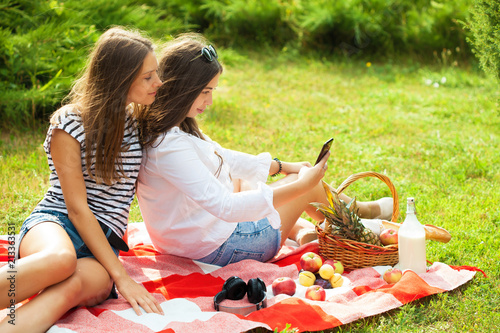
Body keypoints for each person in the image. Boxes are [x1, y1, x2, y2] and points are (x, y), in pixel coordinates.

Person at [136, 34, 392, 267]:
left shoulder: (168, 130)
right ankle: (360, 214)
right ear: (183, 89)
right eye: (205, 92)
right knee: (307, 186)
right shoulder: (169, 146)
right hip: (223, 248)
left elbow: (225, 158)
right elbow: (226, 206)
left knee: (245, 178)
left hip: (190, 239)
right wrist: (301, 185)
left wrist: (284, 166)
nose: (210, 101)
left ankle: (306, 228)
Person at [0, 27, 164, 332]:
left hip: (104, 248)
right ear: (120, 78)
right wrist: (123, 277)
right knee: (60, 260)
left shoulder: (140, 123)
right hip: (57, 222)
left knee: (70, 287)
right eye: (148, 76)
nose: (159, 83)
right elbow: (76, 208)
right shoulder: (70, 123)